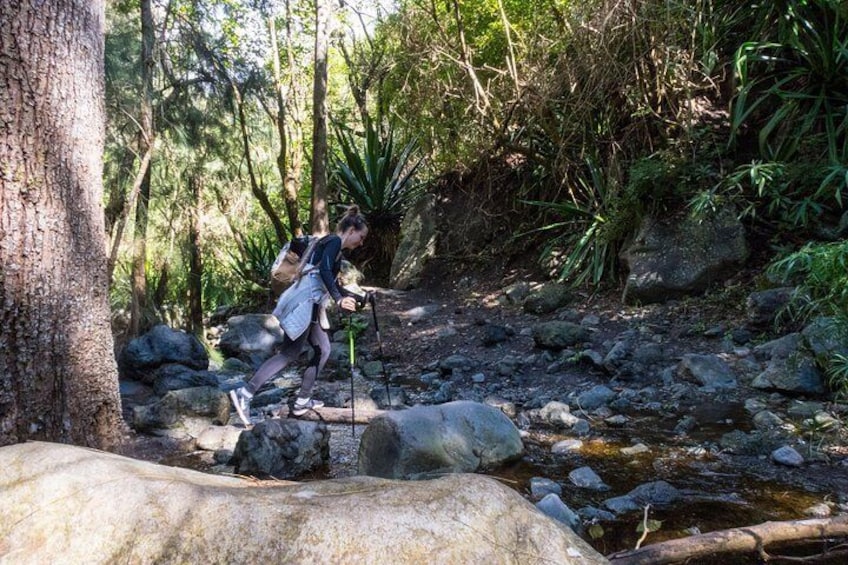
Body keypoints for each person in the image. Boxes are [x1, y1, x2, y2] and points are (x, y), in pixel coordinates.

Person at [229, 205, 368, 425]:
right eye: (360, 237)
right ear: (351, 230)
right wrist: (340, 299)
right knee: (288, 353)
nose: (361, 243)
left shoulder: (335, 250)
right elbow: (323, 273)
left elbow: (326, 281)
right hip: (303, 302)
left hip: (312, 303)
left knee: (323, 349)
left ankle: (302, 400)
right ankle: (244, 393)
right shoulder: (332, 242)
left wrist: (358, 298)